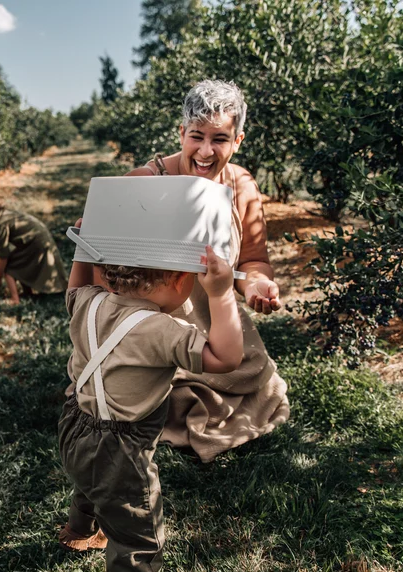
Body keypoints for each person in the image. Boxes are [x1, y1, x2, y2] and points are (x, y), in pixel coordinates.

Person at [78, 79, 289, 462]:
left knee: (255, 378)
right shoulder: (143, 184)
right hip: (150, 331)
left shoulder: (241, 184)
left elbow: (253, 260)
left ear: (238, 140)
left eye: (220, 139)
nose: (206, 151)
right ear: (181, 133)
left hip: (215, 318)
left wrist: (257, 284)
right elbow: (103, 278)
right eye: (197, 136)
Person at [58, 246, 243, 572]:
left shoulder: (88, 301)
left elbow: (75, 286)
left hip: (74, 422)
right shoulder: (163, 331)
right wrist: (222, 293)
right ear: (179, 280)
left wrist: (85, 246)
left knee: (90, 482)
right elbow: (225, 358)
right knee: (139, 529)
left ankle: (79, 530)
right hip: (120, 449)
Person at [0, 194, 68, 304]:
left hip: (34, 243)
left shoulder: (0, 224)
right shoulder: (3, 215)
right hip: (37, 240)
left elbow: (3, 254)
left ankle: (15, 299)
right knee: (18, 262)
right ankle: (27, 292)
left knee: (9, 267)